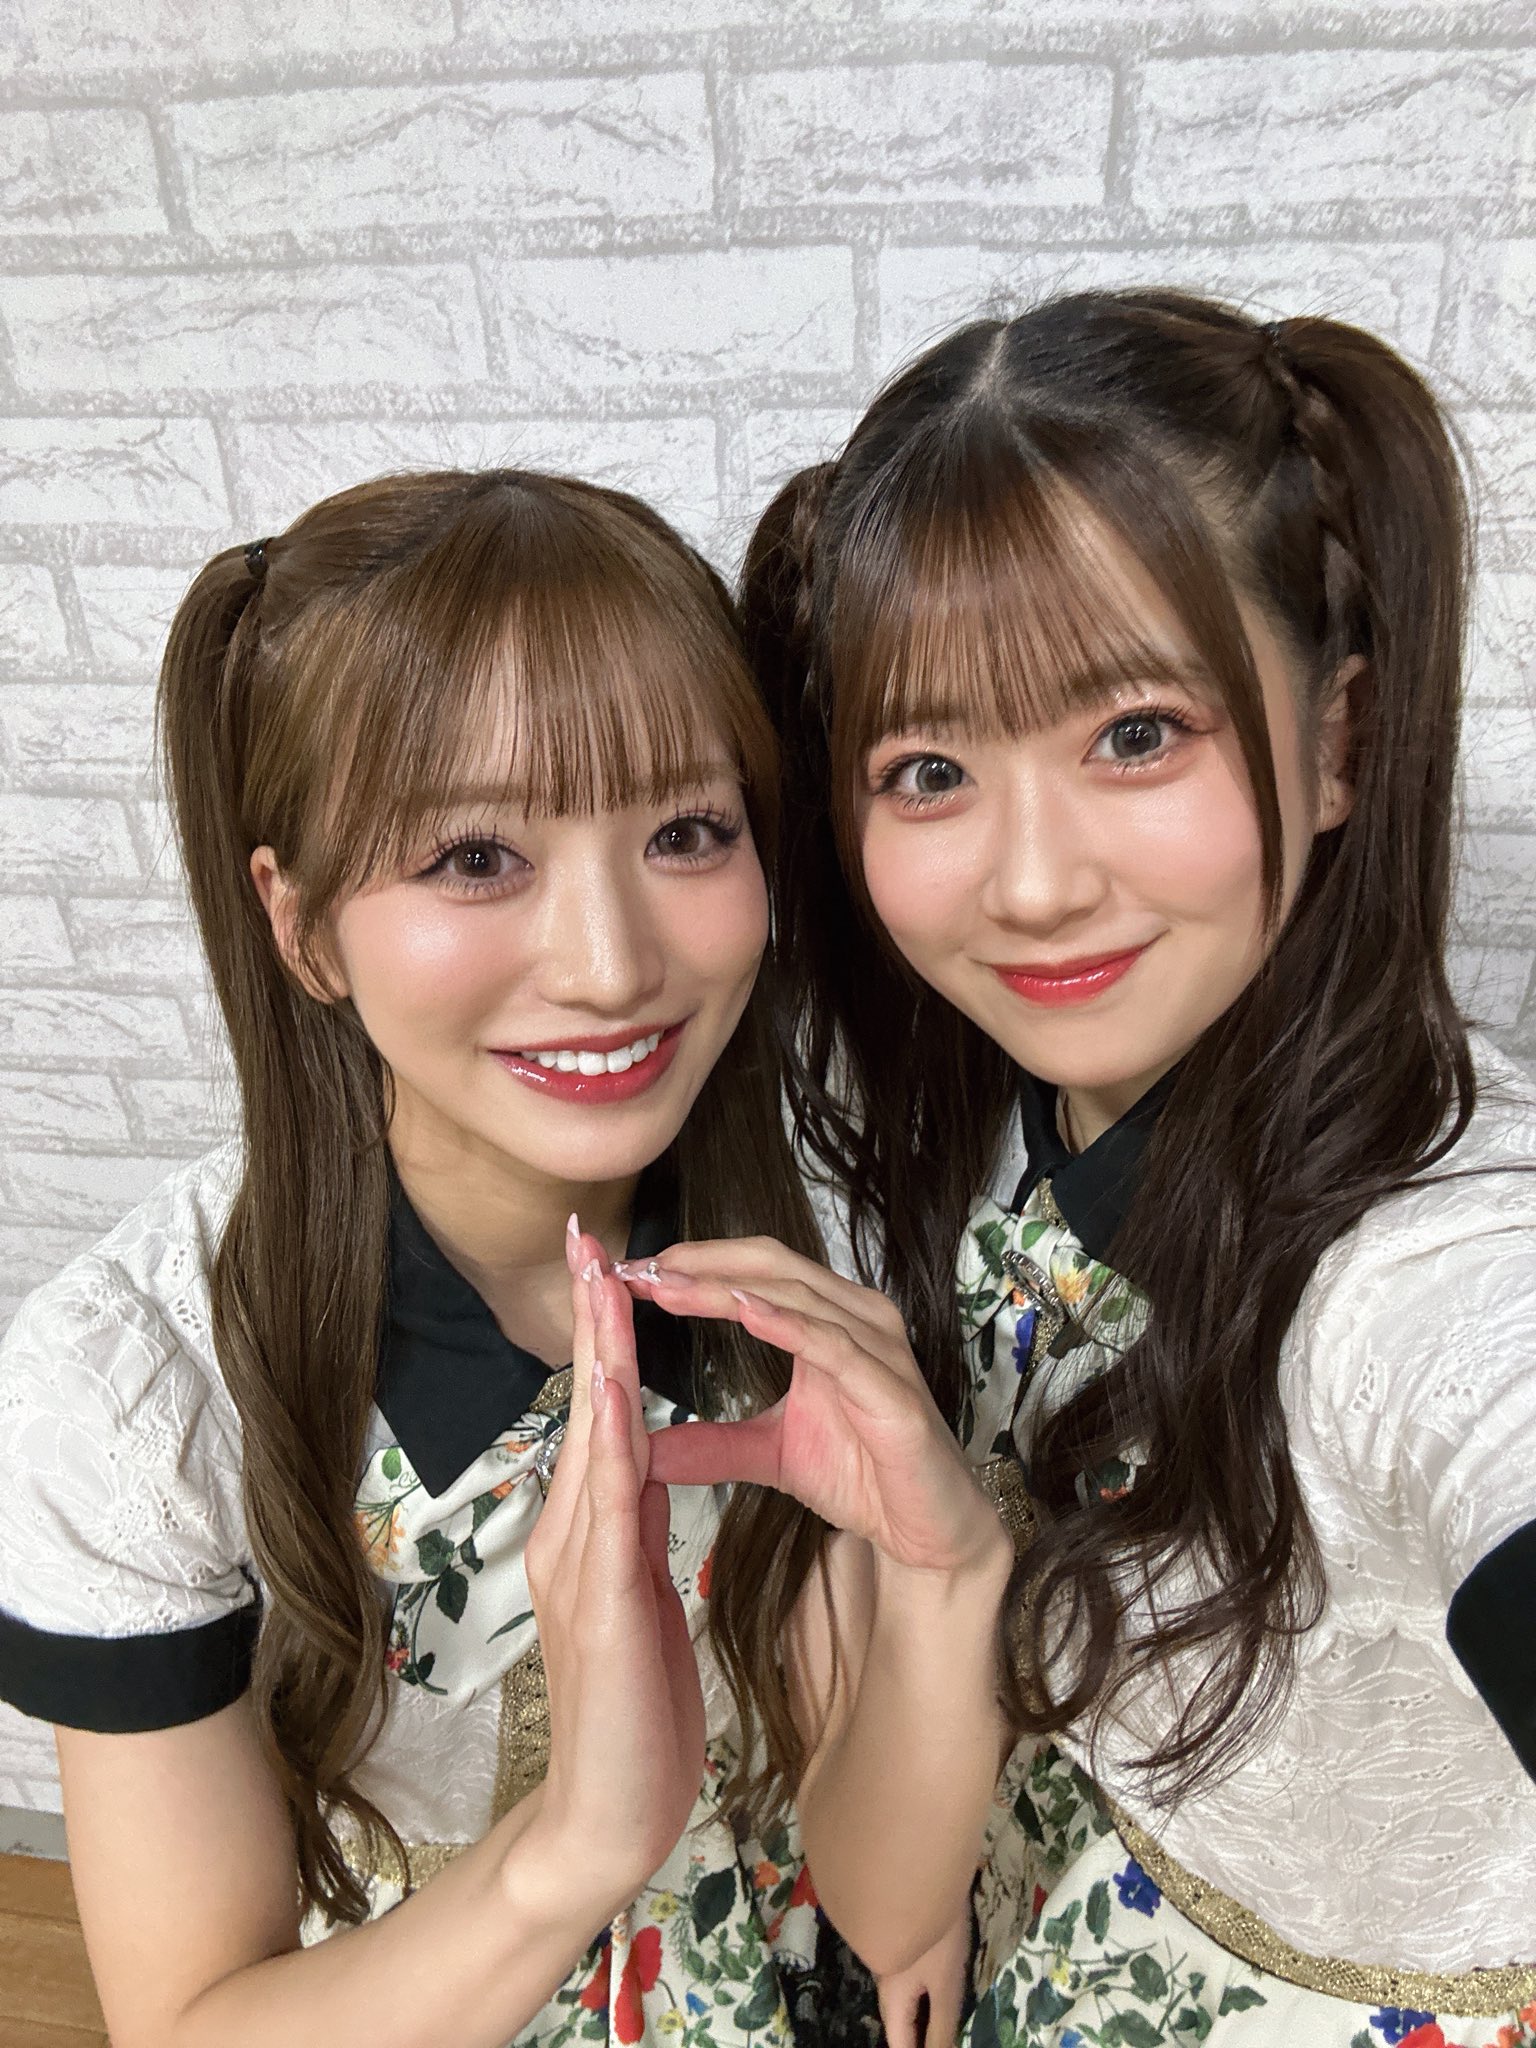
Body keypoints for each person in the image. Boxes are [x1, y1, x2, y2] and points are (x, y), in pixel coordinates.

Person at [626, 290, 1536, 2047]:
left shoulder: (1428, 1271)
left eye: (1136, 733)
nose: (1031, 883)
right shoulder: (994, 1102)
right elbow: (886, 1856)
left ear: (1339, 742)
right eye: (929, 770)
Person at [0, 469, 883, 2048]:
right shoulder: (135, 1389)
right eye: (475, 857)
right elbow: (194, 2025)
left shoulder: (826, 1231)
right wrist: (577, 1847)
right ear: (300, 926)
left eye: (687, 830)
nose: (612, 966)